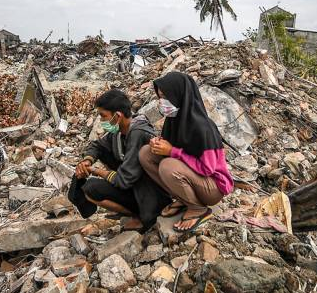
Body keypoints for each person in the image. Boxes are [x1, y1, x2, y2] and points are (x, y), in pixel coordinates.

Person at [139, 72, 234, 232]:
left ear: (180, 95)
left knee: (167, 166)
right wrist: (158, 144)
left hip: (213, 186)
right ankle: (184, 198)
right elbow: (170, 144)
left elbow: (207, 169)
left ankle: (198, 209)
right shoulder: (174, 119)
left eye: (166, 97)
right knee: (146, 153)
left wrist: (172, 151)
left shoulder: (202, 127)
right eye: (160, 97)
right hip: (194, 178)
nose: (162, 102)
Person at [68, 89, 171, 231]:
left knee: (92, 188)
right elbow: (97, 145)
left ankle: (143, 214)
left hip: (151, 192)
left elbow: (124, 180)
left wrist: (95, 171)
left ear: (117, 116)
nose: (102, 121)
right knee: (88, 187)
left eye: (103, 116)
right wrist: (87, 161)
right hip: (133, 183)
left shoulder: (138, 133)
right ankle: (135, 209)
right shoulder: (119, 131)